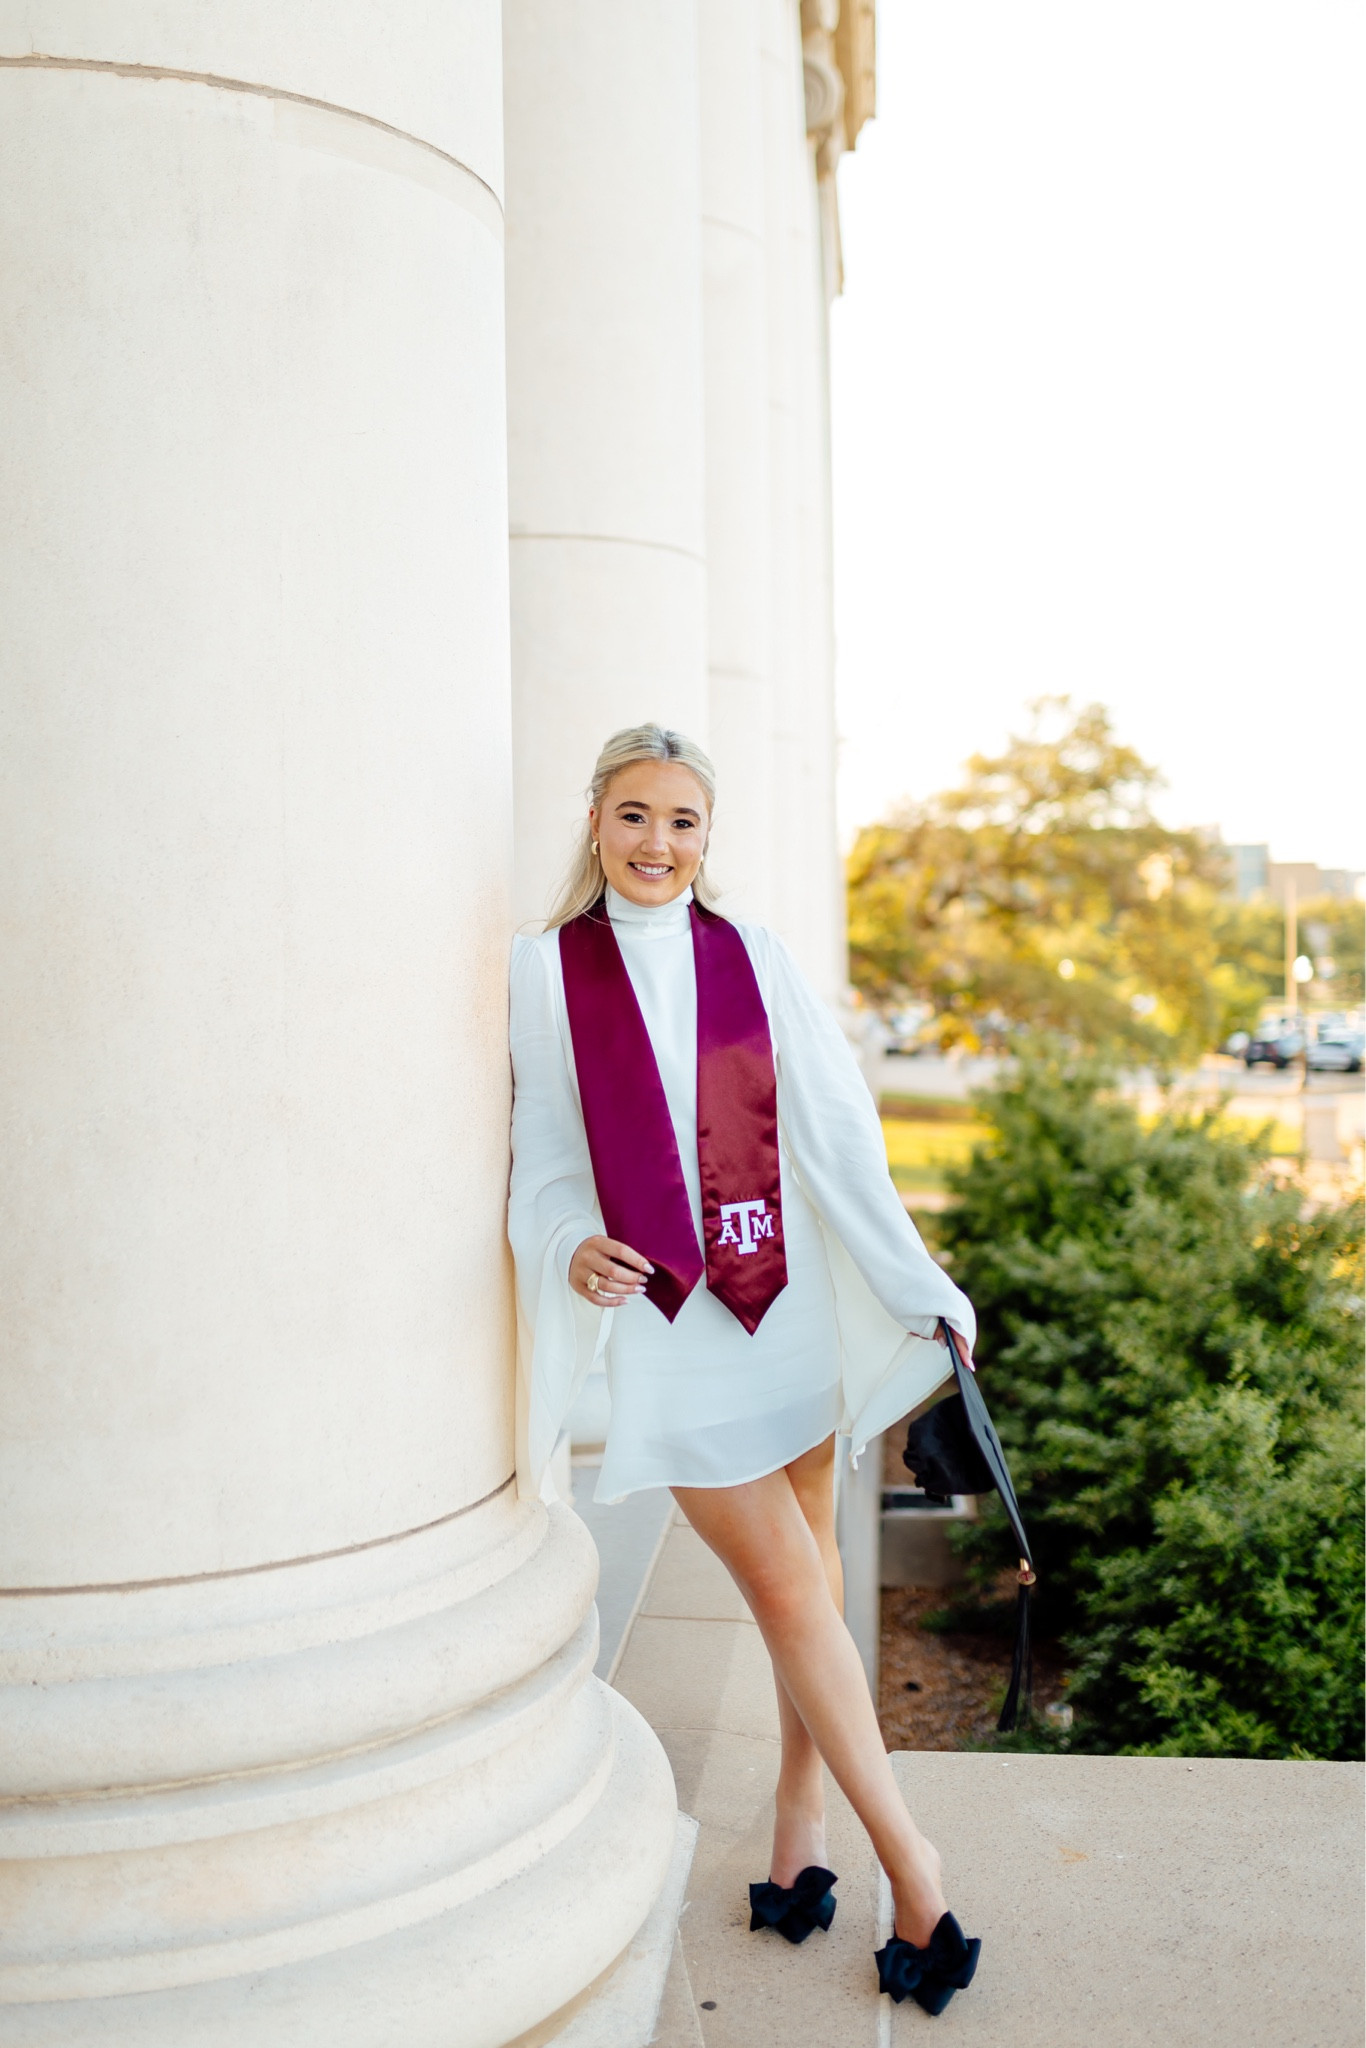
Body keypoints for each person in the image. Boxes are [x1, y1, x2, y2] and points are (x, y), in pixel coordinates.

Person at [508, 724, 982, 2014]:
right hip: (673, 1330)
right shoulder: (546, 972)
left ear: (708, 839)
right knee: (787, 1590)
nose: (658, 845)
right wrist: (566, 1242)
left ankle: (796, 1822)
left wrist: (918, 1282)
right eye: (634, 817)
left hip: (782, 1302)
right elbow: (546, 1155)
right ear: (595, 822)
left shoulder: (753, 956)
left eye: (683, 822)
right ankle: (913, 1861)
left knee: (810, 1578)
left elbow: (836, 1133)